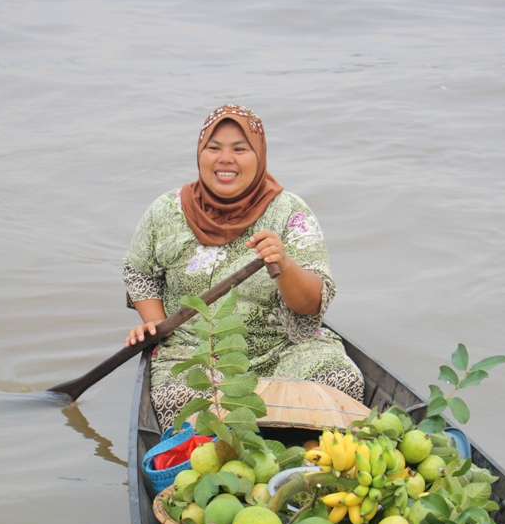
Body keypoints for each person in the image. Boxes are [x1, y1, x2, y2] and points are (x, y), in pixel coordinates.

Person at [123, 104, 364, 431]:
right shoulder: (165, 212)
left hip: (283, 349)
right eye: (214, 148)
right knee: (182, 402)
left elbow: (310, 305)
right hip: (197, 353)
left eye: (240, 149)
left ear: (259, 156)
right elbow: (140, 273)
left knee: (342, 380)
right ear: (200, 153)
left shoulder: (289, 211)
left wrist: (284, 264)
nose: (225, 159)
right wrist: (155, 325)